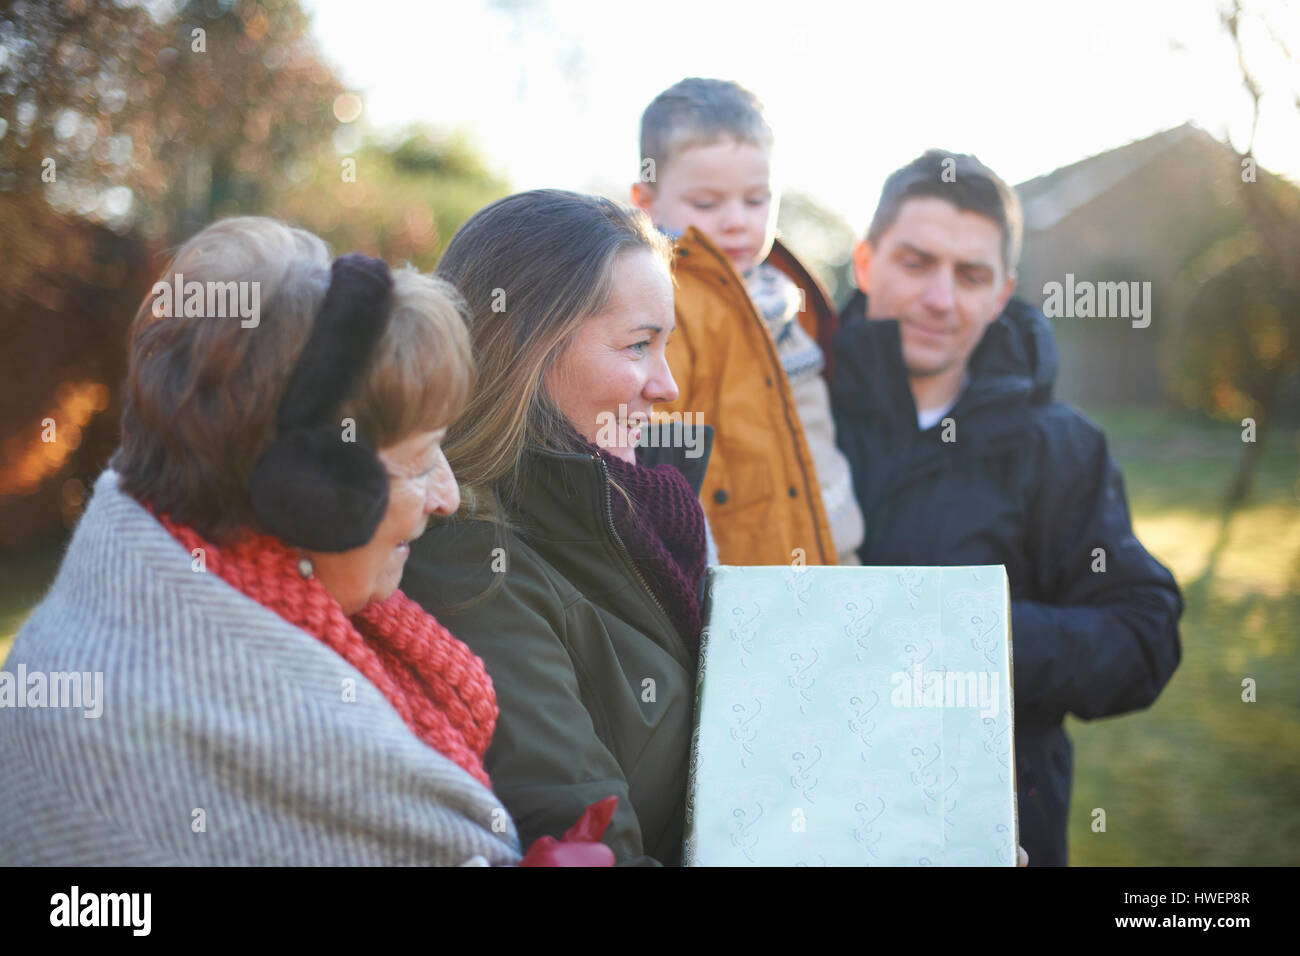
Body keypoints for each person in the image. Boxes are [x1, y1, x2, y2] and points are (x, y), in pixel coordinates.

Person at [0, 216, 610, 866]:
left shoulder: (130, 569)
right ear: (308, 489)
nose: (448, 496)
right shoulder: (322, 759)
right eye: (423, 458)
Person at [830, 150, 1184, 866]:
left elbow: (1144, 638)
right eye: (916, 261)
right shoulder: (794, 423)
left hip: (995, 832)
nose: (941, 297)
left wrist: (969, 633)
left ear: (1002, 293)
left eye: (971, 275)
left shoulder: (1061, 447)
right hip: (812, 813)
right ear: (866, 263)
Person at [402, 189, 713, 865]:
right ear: (527, 352)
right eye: (638, 346)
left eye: (667, 347)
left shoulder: (648, 519)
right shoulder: (469, 562)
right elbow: (594, 845)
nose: (667, 386)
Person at [630, 78, 863, 567]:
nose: (736, 220)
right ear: (646, 201)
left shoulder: (780, 294)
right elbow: (659, 445)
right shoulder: (668, 301)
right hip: (739, 570)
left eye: (756, 200)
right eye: (707, 204)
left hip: (829, 553)